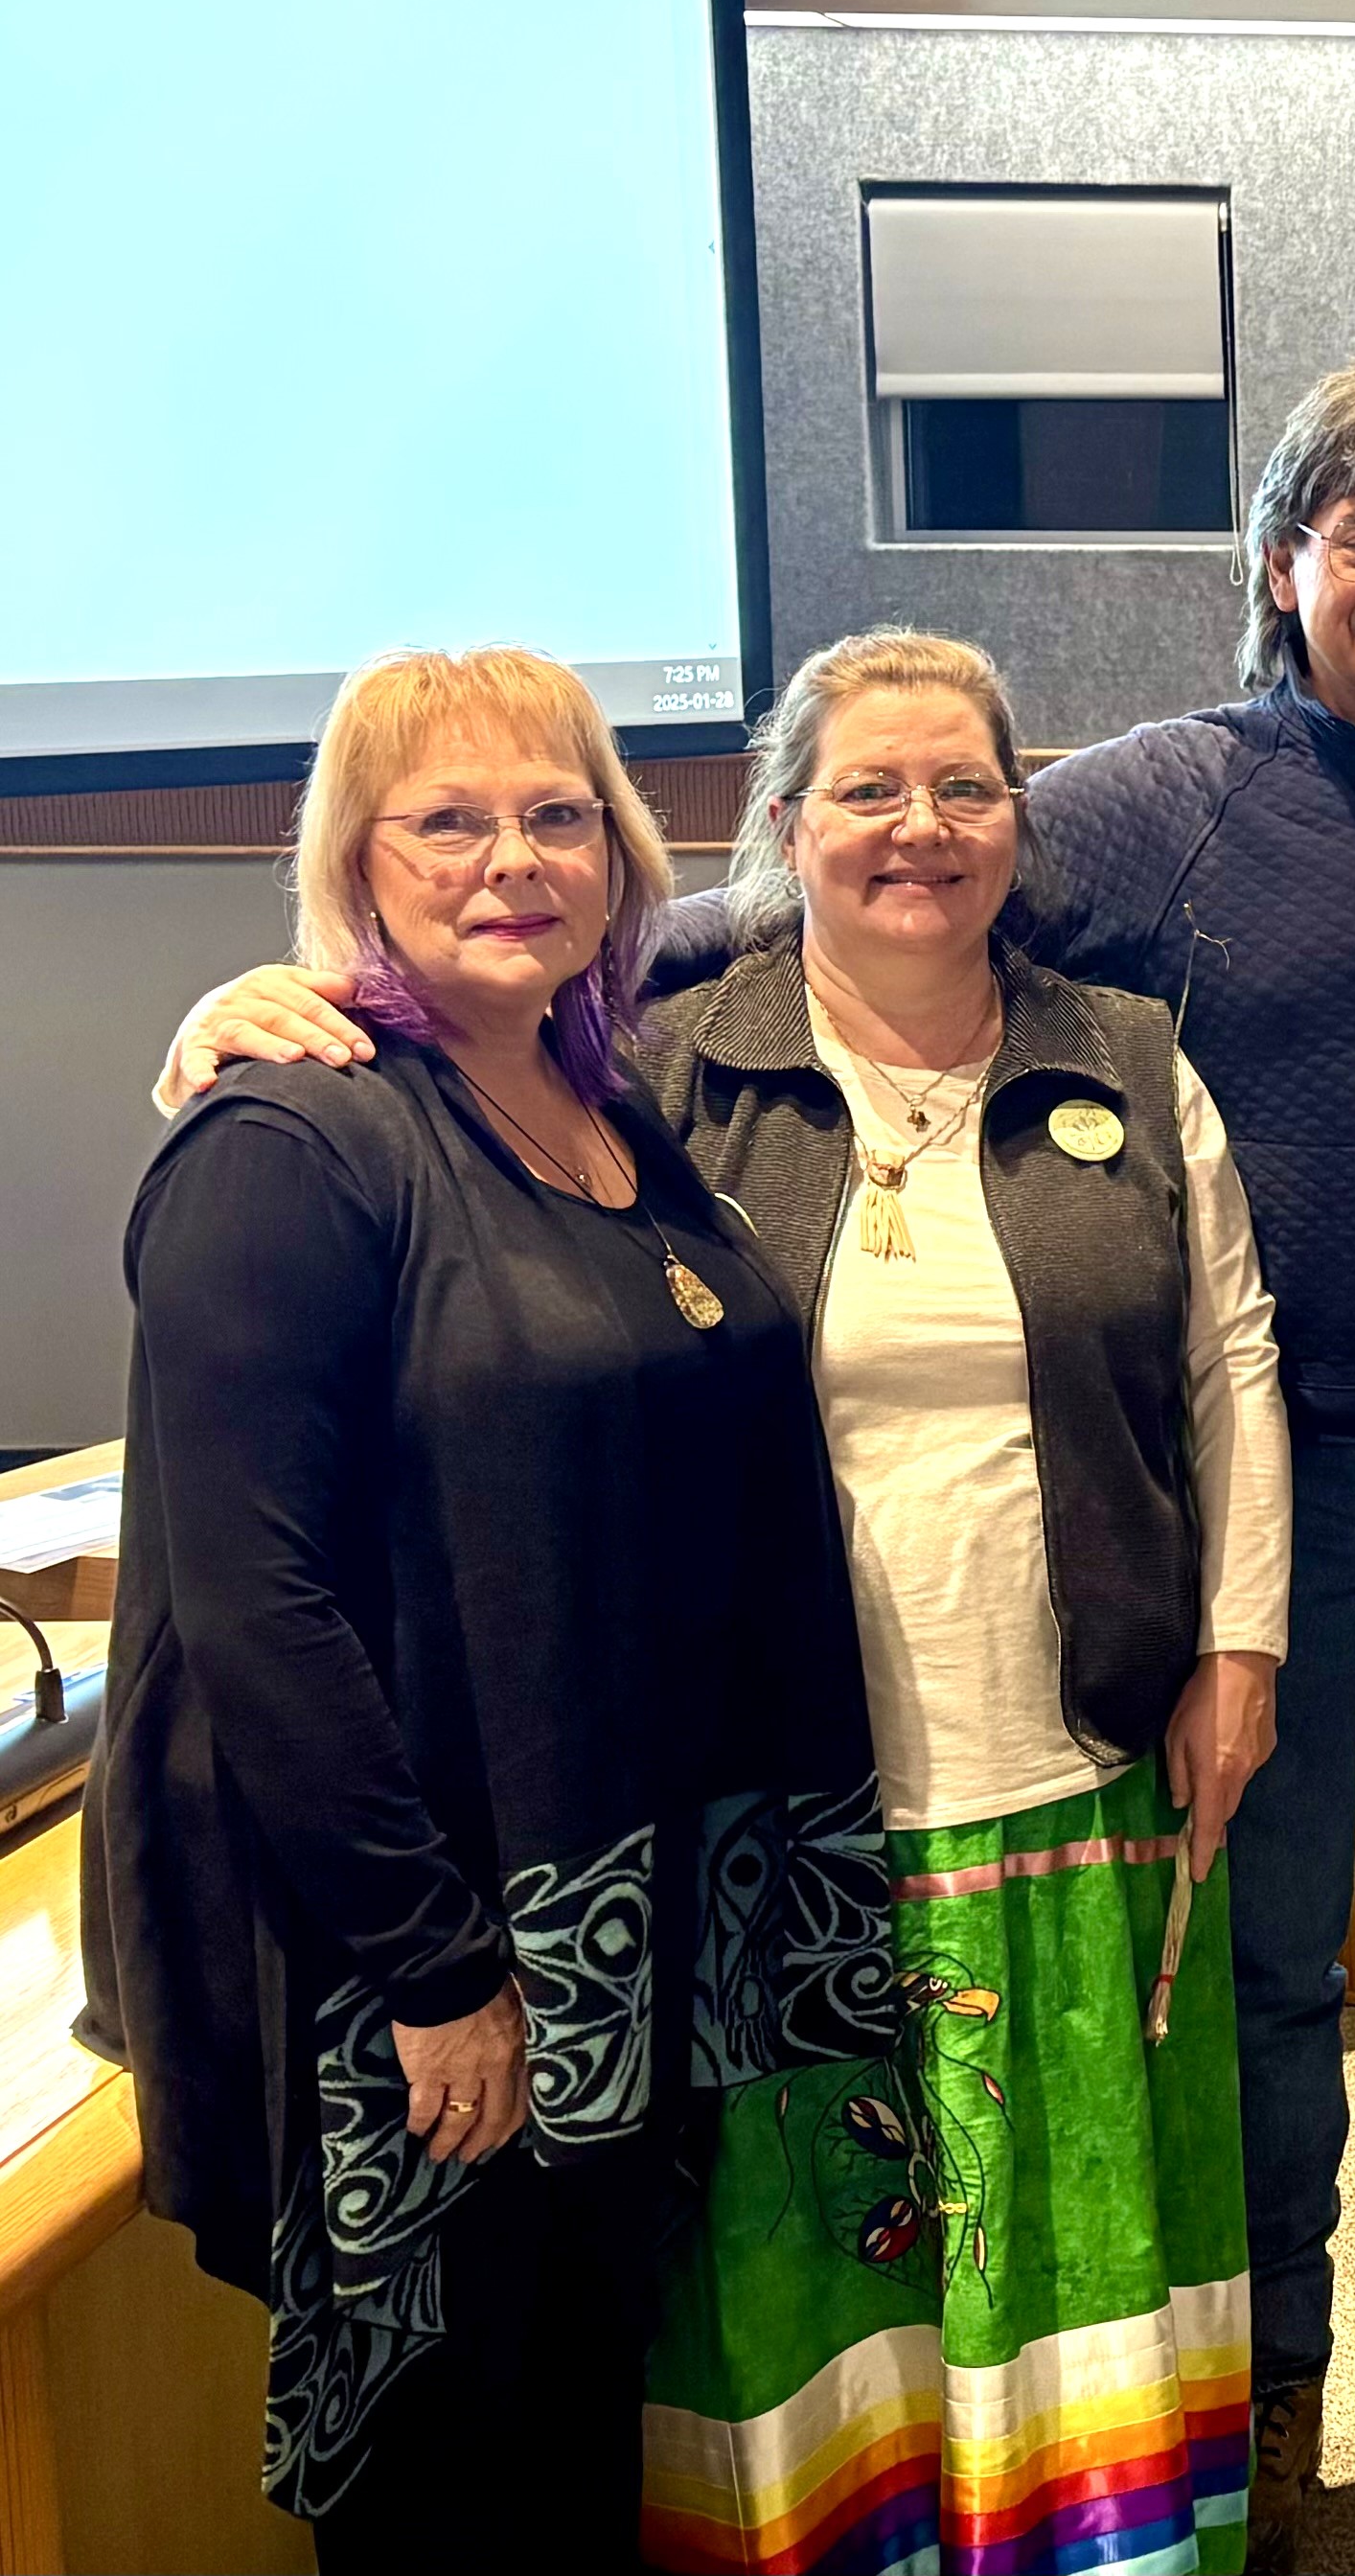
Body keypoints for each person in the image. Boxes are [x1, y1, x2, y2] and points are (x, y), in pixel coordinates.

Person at [156, 365, 1355, 2564]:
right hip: (1296, 1493)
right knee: (1274, 1971)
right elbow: (820, 882)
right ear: (1280, 570)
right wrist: (330, 999)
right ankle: (1274, 2372)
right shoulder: (1155, 798)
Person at [82, 649, 896, 2569]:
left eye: (555, 814)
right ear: (354, 862)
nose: (509, 857)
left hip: (619, 1931)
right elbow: (251, 1602)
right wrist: (438, 1968)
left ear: (620, 853)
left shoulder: (604, 1094)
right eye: (445, 818)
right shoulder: (288, 1140)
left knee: (572, 2418)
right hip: (434, 1954)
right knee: (450, 2476)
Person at [600, 632, 1289, 2575]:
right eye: (871, 790)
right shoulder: (668, 1070)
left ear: (1018, 815)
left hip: (1077, 1752)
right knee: (826, 2249)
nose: (922, 828)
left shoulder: (1127, 1058)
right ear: (790, 822)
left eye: (966, 787)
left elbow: (1231, 1364)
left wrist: (1240, 1646)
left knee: (1076, 2220)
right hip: (782, 1800)